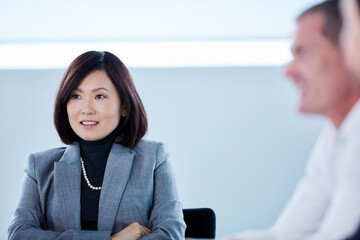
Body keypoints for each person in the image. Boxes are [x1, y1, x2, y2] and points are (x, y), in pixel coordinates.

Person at [8, 51, 186, 240]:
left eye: (99, 96)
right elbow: (18, 234)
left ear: (124, 106)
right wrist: (111, 239)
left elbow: (171, 234)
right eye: (76, 96)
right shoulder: (39, 166)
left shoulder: (153, 157)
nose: (86, 109)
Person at [225, 0, 360, 239]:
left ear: (350, 49)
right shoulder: (336, 134)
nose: (288, 72)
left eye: (304, 52)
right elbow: (286, 234)